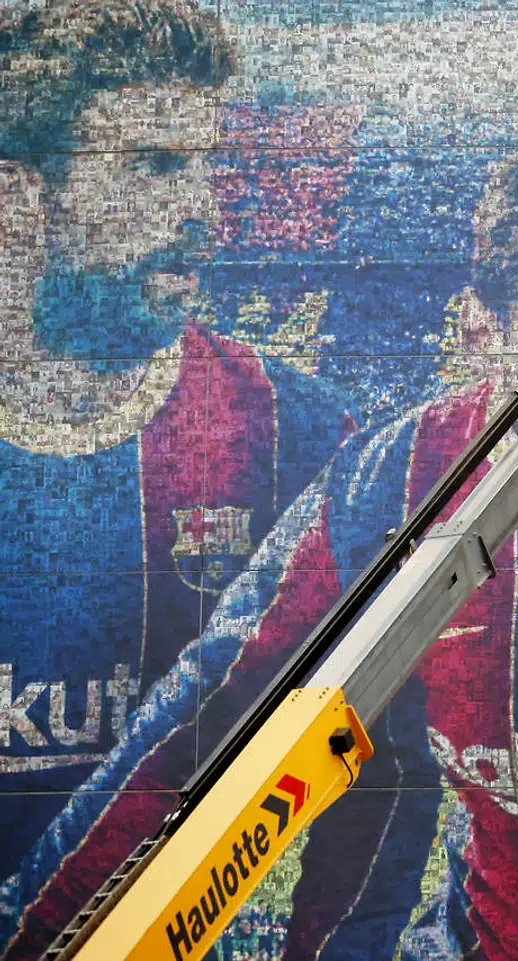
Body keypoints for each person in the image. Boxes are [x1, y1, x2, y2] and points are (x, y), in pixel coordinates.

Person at [0, 0, 354, 890]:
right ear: (21, 196)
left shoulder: (297, 433)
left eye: (205, 166)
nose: (201, 208)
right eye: (153, 167)